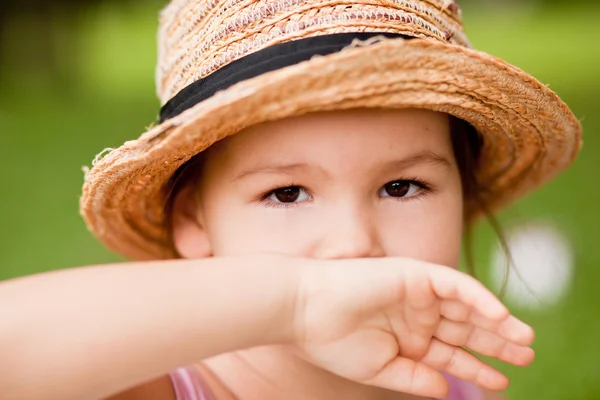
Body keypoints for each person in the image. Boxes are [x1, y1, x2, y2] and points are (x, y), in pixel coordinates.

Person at [0, 0, 582, 399]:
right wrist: (295, 301)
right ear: (192, 220)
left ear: (463, 194)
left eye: (402, 187)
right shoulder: (153, 386)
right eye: (286, 193)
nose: (355, 243)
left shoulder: (447, 382)